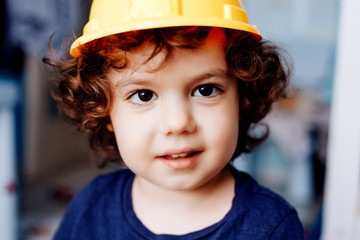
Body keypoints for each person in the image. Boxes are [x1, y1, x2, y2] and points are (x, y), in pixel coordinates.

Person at [46, 0, 305, 239]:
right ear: (104, 111)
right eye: (144, 95)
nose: (177, 123)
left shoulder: (273, 227)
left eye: (206, 90)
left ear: (242, 97)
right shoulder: (90, 207)